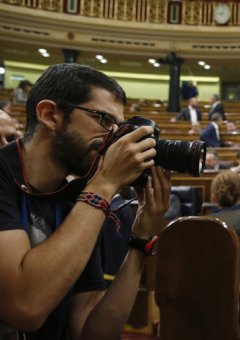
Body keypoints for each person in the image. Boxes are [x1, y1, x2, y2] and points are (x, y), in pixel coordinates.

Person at [0, 63, 171, 339]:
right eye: (103, 120)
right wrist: (103, 185)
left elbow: (90, 331)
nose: (114, 138)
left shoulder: (78, 202)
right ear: (50, 115)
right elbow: (23, 307)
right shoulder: (90, 196)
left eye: (118, 127)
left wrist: (140, 241)